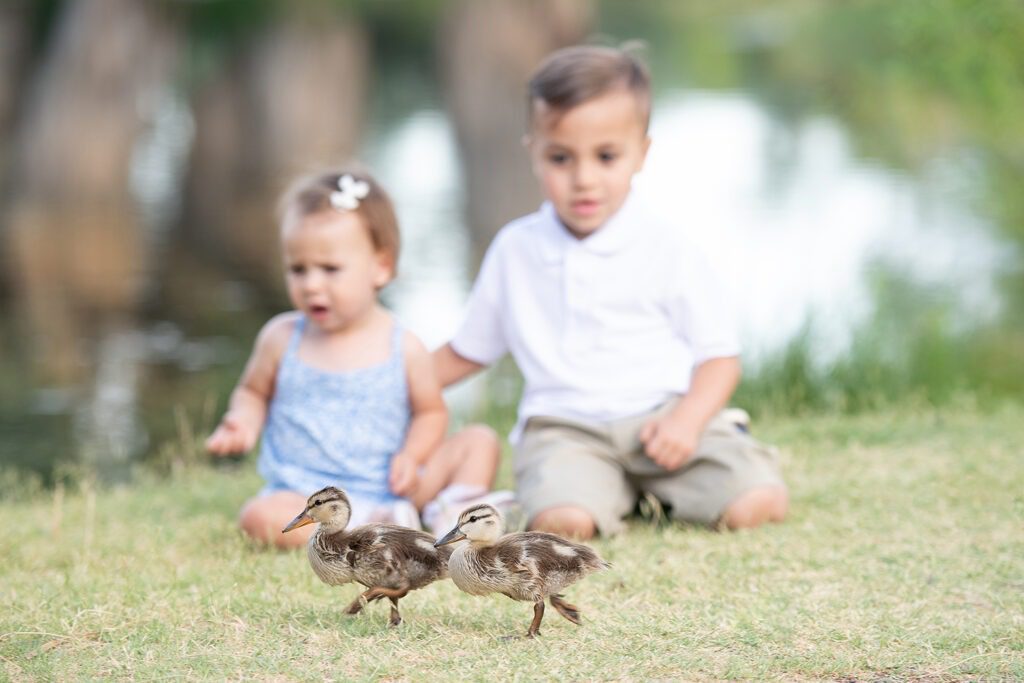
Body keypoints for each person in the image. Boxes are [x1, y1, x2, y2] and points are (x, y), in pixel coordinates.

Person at [431, 45, 789, 540]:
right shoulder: (516, 250)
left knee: (757, 503)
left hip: (664, 419)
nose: (584, 179)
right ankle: (605, 491)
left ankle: (674, 475)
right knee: (564, 523)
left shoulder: (667, 248)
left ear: (641, 153)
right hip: (565, 429)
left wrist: (687, 421)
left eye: (606, 156)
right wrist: (391, 383)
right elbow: (466, 351)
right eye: (560, 158)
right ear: (532, 151)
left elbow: (719, 358)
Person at [206, 168, 503, 549]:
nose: (311, 284)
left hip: (391, 493)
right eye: (298, 269)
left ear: (380, 267)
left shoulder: (404, 346)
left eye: (330, 269)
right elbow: (252, 392)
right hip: (306, 495)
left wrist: (413, 456)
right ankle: (359, 536)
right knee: (260, 517)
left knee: (479, 442)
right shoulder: (281, 339)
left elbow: (431, 413)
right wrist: (242, 421)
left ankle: (445, 518)